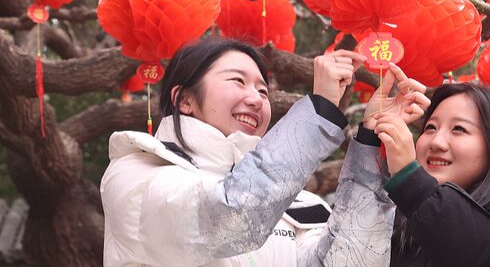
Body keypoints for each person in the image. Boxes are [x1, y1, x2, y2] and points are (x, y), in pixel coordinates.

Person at [101, 37, 428, 266]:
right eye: (237, 81)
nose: (257, 98)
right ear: (184, 99)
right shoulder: (138, 171)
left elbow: (352, 262)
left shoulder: (298, 203)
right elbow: (227, 217)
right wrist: (321, 109)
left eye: (262, 89)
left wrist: (371, 140)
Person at [373, 82, 490, 267]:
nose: (437, 142)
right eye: (431, 127)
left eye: (459, 129)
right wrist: (371, 135)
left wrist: (412, 183)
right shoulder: (402, 219)